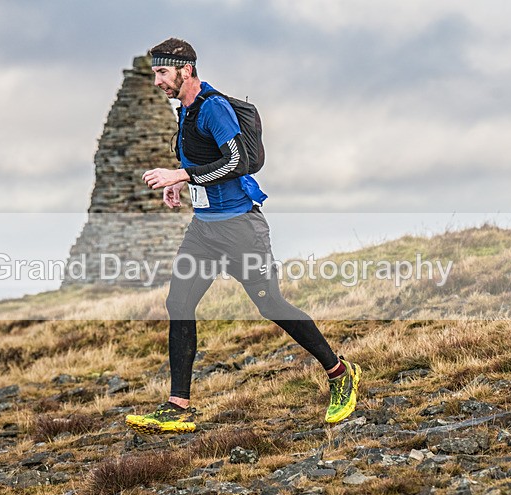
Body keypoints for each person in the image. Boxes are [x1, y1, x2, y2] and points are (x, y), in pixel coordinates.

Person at [125, 37, 361, 434]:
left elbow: (237, 161)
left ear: (187, 70)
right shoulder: (184, 111)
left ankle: (340, 373)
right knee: (179, 302)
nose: (157, 81)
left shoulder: (212, 108)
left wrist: (182, 175)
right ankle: (178, 406)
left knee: (270, 305)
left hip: (240, 228)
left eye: (162, 72)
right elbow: (204, 160)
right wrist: (180, 182)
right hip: (204, 229)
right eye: (155, 73)